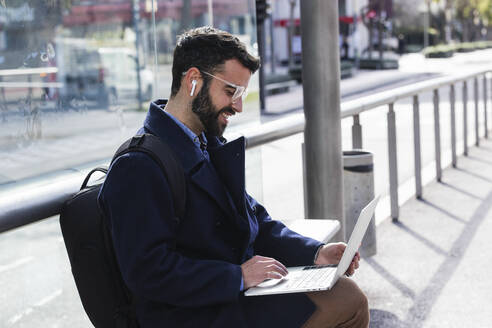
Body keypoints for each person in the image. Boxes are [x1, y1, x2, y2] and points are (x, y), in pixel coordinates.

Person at [98, 26, 369, 328]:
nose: (238, 106)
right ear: (193, 80)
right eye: (231, 91)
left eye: (242, 93)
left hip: (228, 297)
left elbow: (256, 223)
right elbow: (148, 272)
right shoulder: (139, 164)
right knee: (347, 300)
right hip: (191, 313)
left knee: (343, 294)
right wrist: (237, 276)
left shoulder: (204, 143)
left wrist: (316, 253)